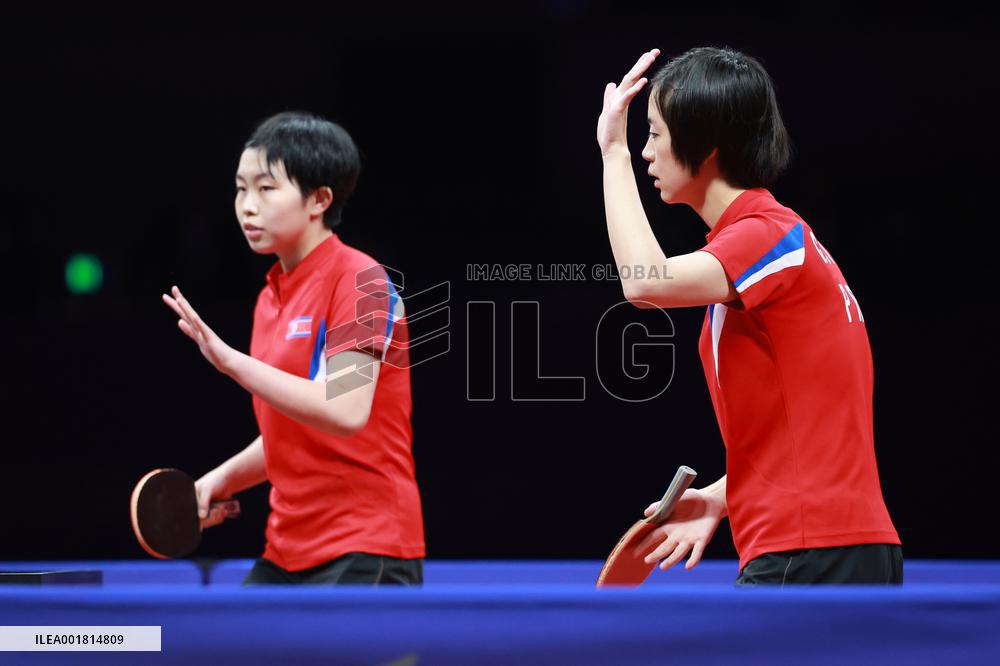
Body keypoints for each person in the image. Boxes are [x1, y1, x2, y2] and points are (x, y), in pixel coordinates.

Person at [597, 47, 901, 584]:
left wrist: (612, 153)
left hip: (807, 551)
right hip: (829, 546)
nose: (647, 152)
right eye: (642, 138)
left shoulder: (767, 236)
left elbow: (645, 282)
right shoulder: (769, 246)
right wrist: (721, 495)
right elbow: (812, 426)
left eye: (656, 135)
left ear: (705, 145)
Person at [162, 111, 425, 584]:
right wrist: (219, 480)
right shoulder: (271, 297)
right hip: (286, 549)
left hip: (366, 547)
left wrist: (231, 363)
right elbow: (295, 430)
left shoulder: (363, 281)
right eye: (241, 188)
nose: (247, 205)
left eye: (266, 188)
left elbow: (344, 410)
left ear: (319, 199)